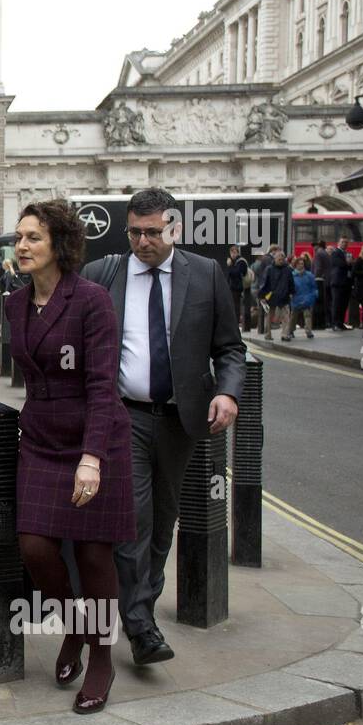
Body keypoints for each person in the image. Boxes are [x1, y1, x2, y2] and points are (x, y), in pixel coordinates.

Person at [83, 188, 244, 665]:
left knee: (162, 521)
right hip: (122, 416)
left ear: (173, 228)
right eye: (135, 231)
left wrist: (228, 391)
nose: (142, 242)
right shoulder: (103, 274)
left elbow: (231, 348)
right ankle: (140, 625)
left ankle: (139, 611)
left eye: (153, 232)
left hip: (180, 419)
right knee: (133, 517)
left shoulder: (205, 274)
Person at [7, 201, 132, 714]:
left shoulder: (92, 300)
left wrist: (92, 458)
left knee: (93, 555)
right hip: (40, 439)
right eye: (19, 237)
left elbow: (103, 384)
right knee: (34, 546)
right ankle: (76, 630)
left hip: (94, 437)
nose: (21, 246)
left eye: (33, 237)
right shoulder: (14, 303)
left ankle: (101, 658)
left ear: (59, 244)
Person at [258, 247, 293, 341]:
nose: (281, 261)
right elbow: (264, 283)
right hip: (272, 296)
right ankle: (268, 334)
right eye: (279, 259)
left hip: (284, 296)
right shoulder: (269, 269)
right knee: (269, 316)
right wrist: (262, 296)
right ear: (275, 259)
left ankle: (285, 335)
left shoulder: (288, 270)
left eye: (282, 259)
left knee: (286, 317)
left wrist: (292, 292)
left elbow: (291, 282)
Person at [284, 254, 317, 340]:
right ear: (295, 265)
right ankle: (290, 331)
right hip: (296, 299)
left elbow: (313, 287)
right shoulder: (292, 275)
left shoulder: (309, 275)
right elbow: (289, 287)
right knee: (293, 317)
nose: (301, 265)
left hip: (307, 299)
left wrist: (313, 296)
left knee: (307, 316)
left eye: (302, 263)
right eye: (299, 264)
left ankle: (308, 332)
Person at [328, 236, 352, 331]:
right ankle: (334, 324)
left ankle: (341, 323)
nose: (344, 244)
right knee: (336, 304)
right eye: (343, 242)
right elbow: (340, 264)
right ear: (338, 243)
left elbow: (351, 266)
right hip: (337, 282)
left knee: (344, 304)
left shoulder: (348, 253)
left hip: (346, 283)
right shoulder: (335, 253)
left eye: (346, 242)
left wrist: (350, 263)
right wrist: (348, 263)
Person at [225, 245, 248, 327]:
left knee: (236, 305)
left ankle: (237, 322)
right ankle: (235, 321)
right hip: (234, 287)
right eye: (231, 253)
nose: (233, 255)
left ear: (238, 253)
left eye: (234, 253)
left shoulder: (240, 261)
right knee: (234, 305)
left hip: (237, 287)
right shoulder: (234, 261)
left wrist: (230, 266)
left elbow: (236, 273)